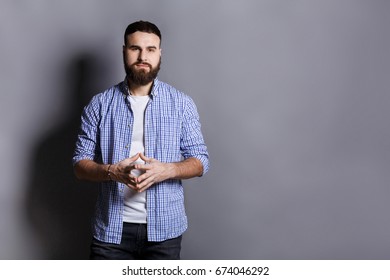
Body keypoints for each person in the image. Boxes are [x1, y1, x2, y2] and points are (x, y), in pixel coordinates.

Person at [72, 20, 209, 260]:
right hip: (110, 234)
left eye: (150, 49)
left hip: (164, 233)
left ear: (160, 53)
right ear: (124, 51)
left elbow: (201, 162)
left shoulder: (181, 104)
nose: (142, 56)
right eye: (135, 48)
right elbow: (79, 165)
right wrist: (112, 171)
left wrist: (167, 170)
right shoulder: (100, 104)